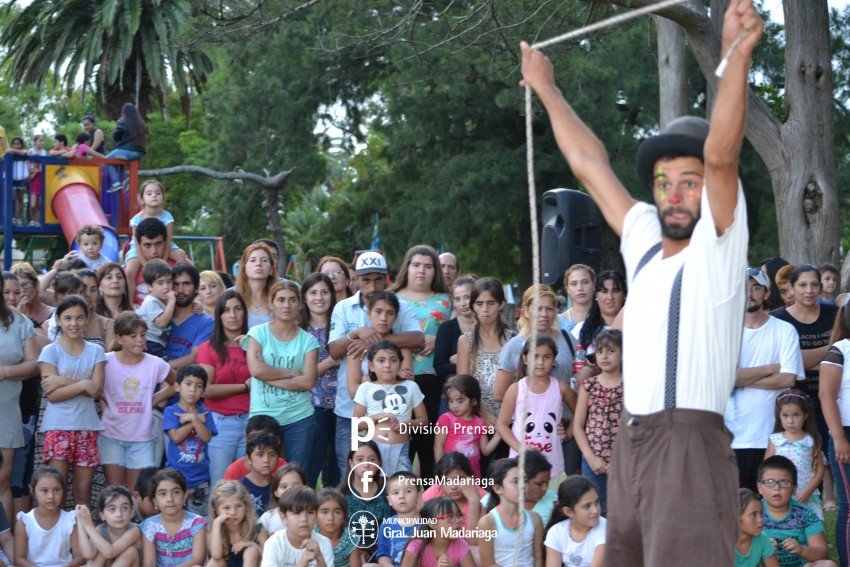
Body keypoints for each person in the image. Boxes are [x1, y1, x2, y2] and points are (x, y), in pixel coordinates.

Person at [521, 0, 761, 561]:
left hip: (689, 443)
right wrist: (546, 88)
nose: (675, 193)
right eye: (664, 180)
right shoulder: (641, 233)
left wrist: (733, 58)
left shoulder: (720, 243)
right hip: (633, 441)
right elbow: (589, 164)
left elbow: (722, 156)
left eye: (690, 180)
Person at [328, 251, 424, 478]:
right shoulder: (343, 308)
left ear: (386, 279)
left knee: (396, 480)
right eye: (365, 280)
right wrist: (356, 333)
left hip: (394, 419)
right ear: (355, 280)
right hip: (350, 411)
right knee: (353, 477)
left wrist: (375, 342)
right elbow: (334, 351)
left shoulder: (400, 306)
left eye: (378, 279)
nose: (372, 286)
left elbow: (417, 340)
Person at [726, 267, 804, 492]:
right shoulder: (725, 333)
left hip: (774, 436)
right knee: (736, 507)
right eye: (744, 288)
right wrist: (771, 367)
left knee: (772, 506)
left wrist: (739, 378)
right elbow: (723, 379)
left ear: (767, 293)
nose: (749, 293)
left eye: (756, 288)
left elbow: (788, 378)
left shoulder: (784, 330)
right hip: (732, 434)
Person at [771, 265, 839, 511]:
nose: (809, 290)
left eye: (814, 284)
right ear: (790, 288)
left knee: (831, 453)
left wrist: (804, 359)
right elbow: (785, 364)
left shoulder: (835, 313)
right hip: (796, 401)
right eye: (802, 285)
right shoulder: (778, 319)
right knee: (801, 457)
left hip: (835, 396)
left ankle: (826, 503)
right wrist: (832, 351)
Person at [390, 245, 452, 479]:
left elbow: (458, 333)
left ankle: (429, 501)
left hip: (432, 377)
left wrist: (439, 341)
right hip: (397, 377)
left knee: (427, 442)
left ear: (435, 271)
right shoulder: (392, 298)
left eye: (428, 266)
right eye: (416, 265)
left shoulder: (446, 300)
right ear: (407, 267)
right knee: (398, 441)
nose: (421, 271)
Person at [38, 296, 106, 508]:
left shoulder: (96, 351)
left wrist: (63, 381)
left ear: (86, 320)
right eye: (67, 318)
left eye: (79, 318)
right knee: (55, 493)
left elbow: (95, 390)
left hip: (86, 427)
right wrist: (82, 385)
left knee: (83, 494)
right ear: (58, 320)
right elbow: (53, 395)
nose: (73, 323)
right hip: (58, 427)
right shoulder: (51, 351)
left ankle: (82, 539)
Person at [244, 281, 318, 466]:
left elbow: (308, 382)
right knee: (263, 471)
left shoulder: (308, 341)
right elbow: (256, 370)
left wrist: (267, 377)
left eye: (293, 300)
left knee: (296, 474)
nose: (286, 305)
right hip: (262, 416)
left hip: (299, 418)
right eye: (281, 300)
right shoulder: (257, 333)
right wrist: (291, 373)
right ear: (271, 302)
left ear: (300, 304)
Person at [100, 312, 173, 490]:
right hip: (111, 436)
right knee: (115, 491)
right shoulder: (106, 361)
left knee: (137, 493)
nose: (140, 340)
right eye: (133, 336)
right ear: (119, 338)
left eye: (143, 334)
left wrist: (154, 399)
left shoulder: (155, 364)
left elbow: (176, 384)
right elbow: (94, 385)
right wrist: (105, 400)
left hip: (142, 439)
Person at [497, 336, 575, 484]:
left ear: (553, 359)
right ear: (525, 358)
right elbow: (502, 424)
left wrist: (569, 433)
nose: (540, 362)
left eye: (547, 357)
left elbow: (580, 412)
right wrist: (520, 448)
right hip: (519, 466)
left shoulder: (561, 388)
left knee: (551, 504)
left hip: (553, 466)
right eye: (535, 356)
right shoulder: (516, 389)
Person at [198, 290, 252, 485]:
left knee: (248, 487)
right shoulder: (208, 348)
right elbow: (206, 389)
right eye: (226, 310)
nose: (232, 315)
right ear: (219, 315)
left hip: (251, 422)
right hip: (221, 423)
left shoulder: (254, 344)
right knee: (220, 486)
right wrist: (243, 388)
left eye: (237, 309)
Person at [352, 341, 427, 475]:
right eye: (381, 361)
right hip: (374, 451)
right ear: (371, 366)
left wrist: (407, 425)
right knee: (376, 488)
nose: (387, 365)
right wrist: (378, 417)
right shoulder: (366, 388)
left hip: (401, 450)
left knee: (401, 487)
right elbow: (356, 424)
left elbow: (423, 421)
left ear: (400, 364)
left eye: (393, 360)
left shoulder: (411, 387)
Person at [0, 274, 39, 530]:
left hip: (7, 413)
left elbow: (34, 364)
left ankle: (3, 542)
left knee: (3, 482)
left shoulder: (20, 321)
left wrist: (3, 373)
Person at [572, 329, 623, 515]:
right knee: (594, 508)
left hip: (623, 460)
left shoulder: (631, 386)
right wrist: (591, 457)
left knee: (622, 508)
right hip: (592, 459)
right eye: (600, 351)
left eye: (611, 350)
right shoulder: (589, 386)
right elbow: (578, 426)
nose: (604, 356)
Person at [298, 273, 341, 489]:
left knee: (336, 467)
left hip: (341, 405)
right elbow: (297, 374)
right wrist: (331, 361)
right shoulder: (298, 330)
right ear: (304, 297)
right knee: (311, 466)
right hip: (311, 405)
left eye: (324, 292)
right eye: (313, 292)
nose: (319, 297)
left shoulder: (340, 326)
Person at [457, 277, 516, 425]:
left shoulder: (514, 340)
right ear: (473, 306)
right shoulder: (466, 341)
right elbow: (463, 386)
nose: (485, 309)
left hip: (513, 419)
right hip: (478, 421)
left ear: (501, 304)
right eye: (479, 303)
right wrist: (484, 413)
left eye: (491, 303)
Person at [757, 456, 835, 567]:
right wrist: (761, 549)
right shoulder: (754, 512)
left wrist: (802, 550)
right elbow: (740, 550)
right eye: (770, 482)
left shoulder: (805, 513)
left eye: (784, 483)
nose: (777, 488)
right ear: (760, 487)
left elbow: (822, 553)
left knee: (828, 565)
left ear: (794, 488)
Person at [163, 365, 217, 515]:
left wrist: (193, 418)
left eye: (199, 386)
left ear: (204, 392)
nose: (193, 389)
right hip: (175, 478)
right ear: (177, 386)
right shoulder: (171, 411)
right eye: (188, 384)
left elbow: (206, 437)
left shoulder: (206, 413)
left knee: (198, 521)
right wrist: (193, 421)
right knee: (174, 516)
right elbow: (175, 437)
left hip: (200, 478)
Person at [821, 302, 850, 565]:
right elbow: (827, 397)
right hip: (846, 434)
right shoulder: (839, 351)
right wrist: (839, 437)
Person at [124, 180, 188, 297]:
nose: (154, 196)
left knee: (181, 254)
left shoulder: (167, 217)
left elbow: (168, 242)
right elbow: (138, 245)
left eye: (158, 193)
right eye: (149, 193)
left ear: (163, 197)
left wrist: (163, 263)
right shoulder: (137, 219)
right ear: (142, 199)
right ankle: (129, 302)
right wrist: (146, 266)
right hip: (139, 247)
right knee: (129, 271)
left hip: (163, 244)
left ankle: (179, 287)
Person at [477, 458, 543, 567]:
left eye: (525, 481)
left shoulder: (535, 519)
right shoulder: (487, 523)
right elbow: (488, 564)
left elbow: (538, 558)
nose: (523, 486)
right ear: (497, 488)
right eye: (516, 481)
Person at [434, 375, 500, 478]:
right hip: (450, 475)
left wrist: (499, 434)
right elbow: (438, 446)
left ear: (473, 401)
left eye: (460, 401)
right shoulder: (446, 419)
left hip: (473, 476)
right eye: (451, 401)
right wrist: (441, 471)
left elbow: (485, 450)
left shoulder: (480, 422)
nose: (454, 405)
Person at [14, 467, 81, 567]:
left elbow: (80, 556)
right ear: (32, 491)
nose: (51, 496)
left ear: (63, 490)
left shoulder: (70, 520)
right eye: (44, 491)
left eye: (56, 490)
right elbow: (19, 558)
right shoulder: (25, 521)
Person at [140, 468, 207, 567]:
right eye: (163, 494)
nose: (170, 499)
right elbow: (149, 563)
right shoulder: (150, 525)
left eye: (175, 492)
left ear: (185, 495)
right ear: (154, 500)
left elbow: (198, 560)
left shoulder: (196, 523)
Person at [261, 486, 334, 567]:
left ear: (316, 516)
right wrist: (303, 562)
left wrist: (319, 557)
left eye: (310, 512)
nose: (304, 519)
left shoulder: (323, 543)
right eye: (296, 513)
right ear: (283, 518)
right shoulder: (274, 543)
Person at [543, 476, 605, 567]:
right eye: (587, 506)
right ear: (568, 511)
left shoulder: (606, 528)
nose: (595, 510)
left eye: (597, 502)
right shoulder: (556, 532)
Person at [421, 452, 486, 538]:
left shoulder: (484, 498)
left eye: (459, 479)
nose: (453, 486)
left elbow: (474, 541)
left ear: (470, 477)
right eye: (447, 481)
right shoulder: (434, 492)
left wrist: (474, 501)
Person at [75, 486, 143, 567]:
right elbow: (88, 554)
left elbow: (110, 552)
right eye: (112, 509)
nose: (119, 514)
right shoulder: (101, 530)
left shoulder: (134, 530)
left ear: (132, 512)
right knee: (101, 549)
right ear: (102, 515)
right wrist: (80, 520)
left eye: (124, 508)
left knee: (130, 552)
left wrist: (89, 526)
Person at [164, 263, 214, 371]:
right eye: (175, 285)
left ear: (196, 288)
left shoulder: (207, 323)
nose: (180, 290)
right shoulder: (159, 317)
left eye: (186, 284)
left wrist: (156, 368)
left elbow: (194, 357)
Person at [401, 497, 475, 567]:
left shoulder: (460, 544)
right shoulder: (416, 547)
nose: (458, 520)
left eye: (459, 515)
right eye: (450, 516)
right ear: (432, 523)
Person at [207, 480, 265, 567]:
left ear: (246, 506)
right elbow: (216, 555)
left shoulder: (257, 529)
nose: (233, 512)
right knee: (214, 562)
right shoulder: (216, 533)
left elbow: (270, 558)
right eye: (227, 508)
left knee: (251, 551)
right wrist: (216, 523)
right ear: (217, 511)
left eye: (238, 506)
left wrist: (252, 544)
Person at [433, 275, 477, 383]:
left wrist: (459, 359)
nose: (462, 303)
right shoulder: (446, 328)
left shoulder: (486, 327)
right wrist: (469, 363)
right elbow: (439, 366)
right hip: (454, 391)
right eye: (457, 299)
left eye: (467, 297)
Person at [340, 442, 392, 525]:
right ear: (351, 463)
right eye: (360, 460)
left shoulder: (390, 495)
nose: (366, 464)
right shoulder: (340, 496)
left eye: (372, 459)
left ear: (378, 463)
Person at [376, 472, 420, 567]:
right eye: (396, 493)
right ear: (389, 501)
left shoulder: (427, 523)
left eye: (408, 491)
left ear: (418, 496)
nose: (401, 496)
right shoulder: (387, 525)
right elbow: (383, 554)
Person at [137, 259, 176, 360]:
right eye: (160, 283)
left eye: (169, 282)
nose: (166, 287)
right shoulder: (151, 302)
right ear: (149, 286)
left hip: (160, 343)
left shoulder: (164, 300)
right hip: (150, 343)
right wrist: (172, 301)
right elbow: (162, 323)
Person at [128, 218, 173, 306]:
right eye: (147, 245)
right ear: (139, 245)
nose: (154, 251)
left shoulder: (179, 264)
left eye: (158, 244)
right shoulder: (128, 270)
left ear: (165, 242)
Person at [235, 243, 278, 330]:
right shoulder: (232, 295)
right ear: (244, 268)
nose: (258, 264)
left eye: (264, 260)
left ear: (271, 269)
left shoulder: (281, 296)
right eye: (253, 260)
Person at [106, 103, 146, 192]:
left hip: (127, 150)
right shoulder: (141, 123)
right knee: (119, 165)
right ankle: (125, 180)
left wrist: (116, 130)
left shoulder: (122, 121)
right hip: (139, 153)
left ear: (124, 112)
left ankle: (116, 183)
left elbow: (116, 137)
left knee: (106, 161)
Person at [239, 431, 281, 517]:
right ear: (248, 459)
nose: (266, 460)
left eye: (272, 455)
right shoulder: (240, 487)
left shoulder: (279, 485)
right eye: (260, 454)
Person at [314, 488, 359, 567]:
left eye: (337, 512)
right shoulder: (310, 537)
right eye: (324, 512)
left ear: (344, 517)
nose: (331, 518)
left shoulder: (351, 539)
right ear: (315, 516)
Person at [258, 464, 307, 536]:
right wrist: (263, 543)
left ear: (305, 488)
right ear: (276, 492)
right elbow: (256, 528)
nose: (290, 490)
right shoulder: (269, 516)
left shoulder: (310, 514)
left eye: (296, 485)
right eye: (284, 487)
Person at [736, 488, 778, 567]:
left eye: (761, 513)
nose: (760, 520)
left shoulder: (762, 539)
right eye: (754, 515)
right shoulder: (724, 543)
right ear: (737, 516)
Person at [559, 264, 595, 334]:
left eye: (585, 282)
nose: (580, 288)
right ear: (567, 289)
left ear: (593, 284)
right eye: (574, 284)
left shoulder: (605, 318)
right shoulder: (557, 322)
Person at [26, 134, 46, 226]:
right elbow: (28, 160)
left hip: (41, 176)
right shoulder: (31, 150)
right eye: (40, 140)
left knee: (39, 203)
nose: (42, 142)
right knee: (33, 204)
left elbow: (45, 163)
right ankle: (32, 219)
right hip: (34, 176)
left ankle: (36, 221)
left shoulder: (44, 152)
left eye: (43, 140)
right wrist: (32, 169)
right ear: (35, 142)